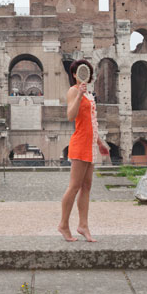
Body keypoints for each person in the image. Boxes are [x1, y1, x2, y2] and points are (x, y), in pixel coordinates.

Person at [58, 59, 108, 242]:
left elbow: (91, 123)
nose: (85, 75)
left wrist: (100, 143)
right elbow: (71, 115)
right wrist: (78, 95)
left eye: (87, 71)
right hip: (80, 143)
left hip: (90, 144)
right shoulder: (73, 91)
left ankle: (83, 225)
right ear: (74, 74)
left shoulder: (90, 95)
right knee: (74, 186)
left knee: (86, 186)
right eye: (80, 71)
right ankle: (63, 224)